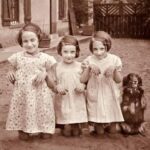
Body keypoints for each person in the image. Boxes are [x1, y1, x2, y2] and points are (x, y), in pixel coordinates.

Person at [6, 23, 56, 140]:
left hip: (40, 94)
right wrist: (10, 73)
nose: (29, 44)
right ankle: (23, 129)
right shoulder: (17, 57)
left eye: (32, 40)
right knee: (23, 108)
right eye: (25, 41)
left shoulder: (46, 59)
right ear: (21, 42)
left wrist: (45, 74)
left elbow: (52, 83)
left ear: (38, 39)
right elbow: (11, 69)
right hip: (23, 93)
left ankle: (44, 127)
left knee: (42, 109)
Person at [80, 31, 124, 135]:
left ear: (107, 47)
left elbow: (118, 80)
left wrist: (114, 69)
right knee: (99, 131)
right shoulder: (88, 60)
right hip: (95, 91)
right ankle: (98, 126)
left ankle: (111, 124)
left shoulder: (114, 60)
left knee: (113, 129)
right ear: (91, 48)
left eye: (102, 49)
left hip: (110, 91)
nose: (98, 52)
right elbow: (82, 80)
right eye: (95, 49)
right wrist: (89, 68)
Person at [47, 35, 88, 137]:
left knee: (76, 132)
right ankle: (64, 125)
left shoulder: (80, 66)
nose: (69, 55)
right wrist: (57, 87)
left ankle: (76, 125)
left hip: (76, 97)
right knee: (65, 128)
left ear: (77, 52)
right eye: (65, 52)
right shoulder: (56, 67)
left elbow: (86, 80)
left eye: (72, 52)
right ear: (60, 51)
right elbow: (53, 83)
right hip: (63, 97)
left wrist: (83, 85)